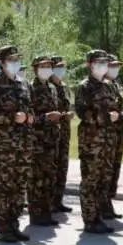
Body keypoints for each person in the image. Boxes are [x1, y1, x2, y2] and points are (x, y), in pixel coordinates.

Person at [0, 46, 33, 242]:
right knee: (5, 188)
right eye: (11, 60)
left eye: (17, 59)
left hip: (23, 145)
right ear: (2, 63)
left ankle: (14, 225)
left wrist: (28, 117)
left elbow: (30, 109)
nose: (15, 63)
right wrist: (13, 117)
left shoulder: (24, 84)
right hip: (4, 146)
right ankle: (4, 228)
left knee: (19, 187)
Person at [75, 50, 120, 234]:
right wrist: (107, 116)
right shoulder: (84, 87)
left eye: (105, 62)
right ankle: (90, 219)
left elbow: (115, 106)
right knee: (90, 180)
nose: (103, 65)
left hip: (108, 140)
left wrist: (115, 115)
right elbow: (83, 113)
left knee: (104, 179)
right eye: (99, 62)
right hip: (91, 141)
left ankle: (99, 216)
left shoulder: (108, 86)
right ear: (90, 65)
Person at [27, 56, 61, 227]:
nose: (47, 68)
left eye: (49, 66)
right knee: (36, 179)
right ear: (35, 69)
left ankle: (46, 212)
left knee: (49, 177)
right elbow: (29, 118)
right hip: (37, 140)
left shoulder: (52, 88)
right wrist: (46, 118)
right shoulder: (30, 88)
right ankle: (36, 213)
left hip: (51, 139)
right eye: (43, 66)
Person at [49, 56, 74, 213]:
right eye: (58, 67)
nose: (61, 70)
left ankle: (58, 200)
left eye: (63, 67)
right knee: (51, 167)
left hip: (64, 132)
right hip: (51, 134)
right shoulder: (48, 86)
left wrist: (68, 114)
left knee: (62, 167)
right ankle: (49, 202)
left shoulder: (63, 86)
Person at [104, 54, 123, 220]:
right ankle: (103, 205)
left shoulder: (115, 84)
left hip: (118, 132)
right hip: (107, 134)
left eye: (117, 66)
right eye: (112, 66)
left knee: (114, 169)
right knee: (106, 170)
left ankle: (108, 203)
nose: (115, 69)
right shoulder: (103, 85)